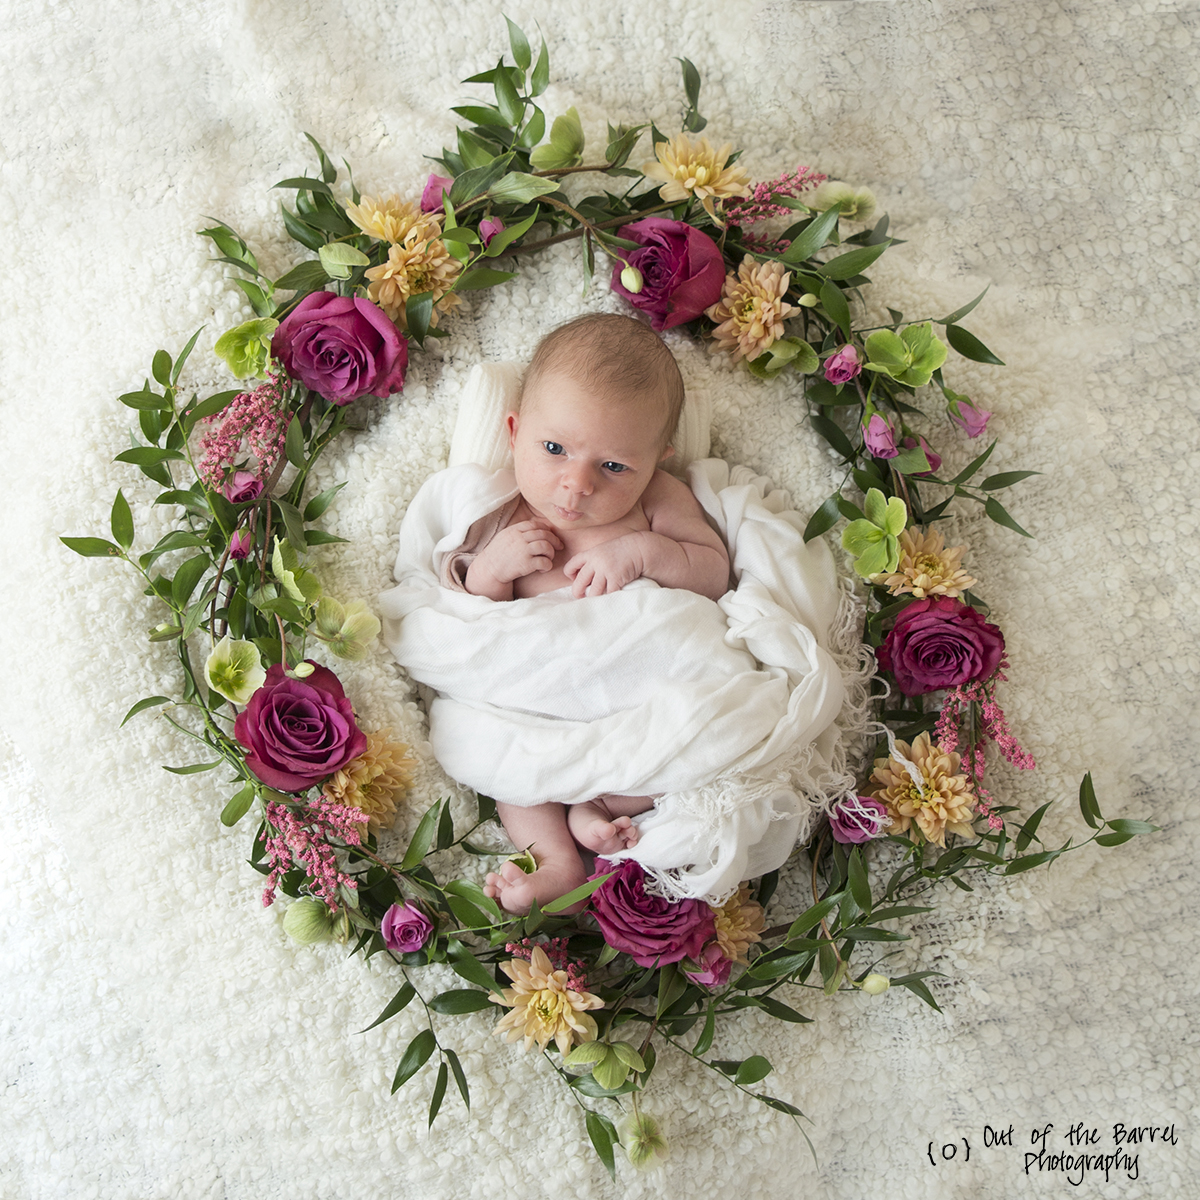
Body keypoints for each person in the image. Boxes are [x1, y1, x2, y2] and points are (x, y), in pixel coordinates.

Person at [451, 313, 731, 913]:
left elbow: (713, 574)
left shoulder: (658, 501)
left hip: (635, 683)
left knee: (688, 736)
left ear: (657, 461)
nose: (576, 485)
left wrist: (645, 552)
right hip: (539, 695)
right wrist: (493, 571)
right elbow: (471, 628)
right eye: (554, 449)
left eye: (614, 467)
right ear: (515, 431)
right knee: (510, 762)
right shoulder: (499, 515)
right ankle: (554, 859)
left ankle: (602, 809)